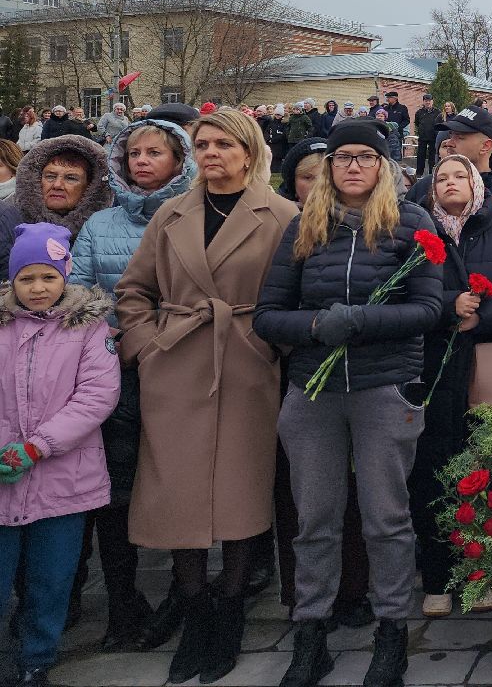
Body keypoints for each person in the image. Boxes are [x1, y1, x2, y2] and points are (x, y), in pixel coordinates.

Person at [255, 120, 442, 687]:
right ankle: (311, 631)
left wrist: (360, 320)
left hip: (384, 386)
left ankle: (391, 631)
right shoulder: (304, 226)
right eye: (342, 158)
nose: (353, 166)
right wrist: (316, 325)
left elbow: (429, 309)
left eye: (365, 156)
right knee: (314, 517)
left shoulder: (411, 222)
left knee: (386, 517)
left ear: (382, 165)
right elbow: (266, 313)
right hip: (314, 389)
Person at [114, 108, 299, 683]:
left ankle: (229, 613)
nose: (211, 152)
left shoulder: (282, 214)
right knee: (177, 491)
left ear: (248, 152)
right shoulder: (172, 212)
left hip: (247, 363)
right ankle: (194, 611)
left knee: (241, 488)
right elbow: (133, 290)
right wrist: (146, 346)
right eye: (203, 143)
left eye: (223, 143)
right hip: (176, 364)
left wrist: (271, 348)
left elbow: (297, 291)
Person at [69, 118, 196, 650]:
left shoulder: (193, 217)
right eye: (133, 153)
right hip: (116, 371)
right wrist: (111, 341)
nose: (141, 161)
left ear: (178, 160)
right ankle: (123, 603)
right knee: (116, 492)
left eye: (155, 153)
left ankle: (183, 593)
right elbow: (77, 291)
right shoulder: (101, 224)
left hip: (182, 368)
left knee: (178, 485)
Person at [414, 153, 492, 617]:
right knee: (434, 471)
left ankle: (486, 570)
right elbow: (403, 292)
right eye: (441, 177)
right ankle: (438, 576)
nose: (450, 183)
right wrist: (450, 307)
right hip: (435, 372)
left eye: (459, 175)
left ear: (476, 184)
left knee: (491, 470)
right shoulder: (418, 237)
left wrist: (481, 318)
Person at [0, 224, 120, 687]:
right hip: (5, 475)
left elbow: (96, 395)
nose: (37, 288)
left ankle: (37, 656)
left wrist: (38, 445)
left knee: (51, 579)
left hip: (62, 479)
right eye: (27, 278)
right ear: (13, 280)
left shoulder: (88, 328)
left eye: (48, 278)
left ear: (64, 278)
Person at [406, 105, 492, 238]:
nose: (449, 143)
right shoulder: (425, 188)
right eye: (451, 135)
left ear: (485, 146)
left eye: (460, 137)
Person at [0, 134, 113, 272]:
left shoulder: (107, 230)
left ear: (90, 187)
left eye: (71, 178)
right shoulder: (8, 221)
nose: (57, 185)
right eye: (50, 176)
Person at [413, 94, 440, 177]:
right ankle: (419, 174)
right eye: (426, 100)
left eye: (429, 100)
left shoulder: (437, 112)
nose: (427, 102)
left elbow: (439, 123)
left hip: (433, 137)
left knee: (432, 157)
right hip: (423, 137)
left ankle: (431, 174)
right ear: (423, 102)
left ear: (432, 101)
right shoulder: (419, 112)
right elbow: (417, 123)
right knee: (420, 156)